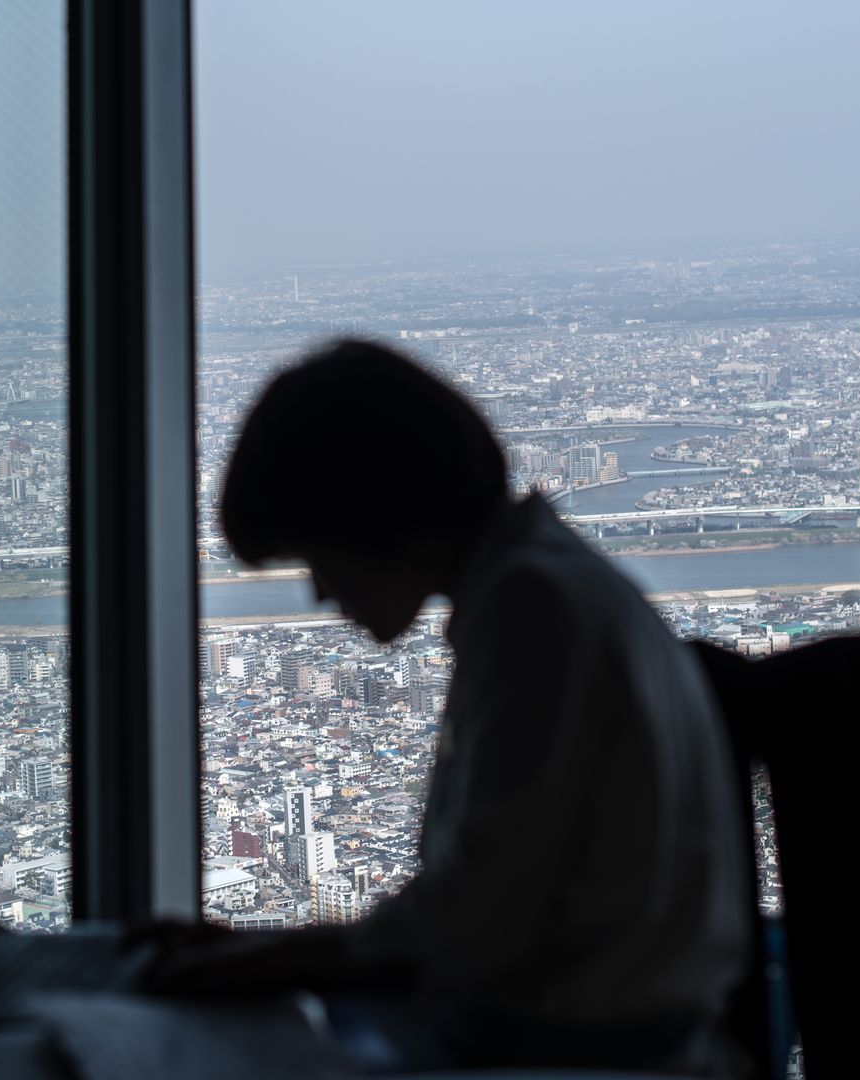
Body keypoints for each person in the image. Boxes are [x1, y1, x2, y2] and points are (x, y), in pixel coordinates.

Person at [144, 339, 752, 1074]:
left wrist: (282, 958)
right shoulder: (549, 585)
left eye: (317, 555)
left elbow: (481, 922)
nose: (320, 593)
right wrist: (282, 953)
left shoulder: (534, 612)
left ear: (376, 518)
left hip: (580, 1050)